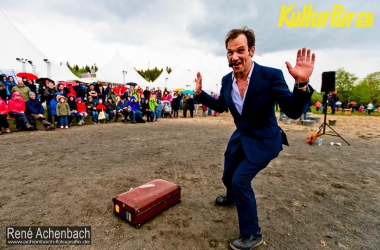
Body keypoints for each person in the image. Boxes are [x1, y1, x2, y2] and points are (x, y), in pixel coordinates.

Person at [194, 26, 315, 249]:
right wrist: (200, 95)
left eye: (240, 50)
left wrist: (301, 84)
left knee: (240, 180)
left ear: (252, 51)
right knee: (228, 174)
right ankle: (231, 197)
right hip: (241, 137)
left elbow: (293, 111)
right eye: (230, 52)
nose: (235, 56)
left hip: (264, 140)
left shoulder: (270, 76)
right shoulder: (226, 80)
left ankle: (252, 234)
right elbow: (221, 105)